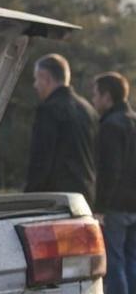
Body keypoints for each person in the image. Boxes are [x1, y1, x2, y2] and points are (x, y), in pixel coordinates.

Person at [92, 71, 136, 294]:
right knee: (133, 262)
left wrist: (100, 206)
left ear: (107, 97)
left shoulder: (111, 126)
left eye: (96, 94)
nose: (93, 100)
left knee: (116, 263)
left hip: (116, 206)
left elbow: (110, 171)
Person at [25, 53, 98, 204]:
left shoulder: (49, 110)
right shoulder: (88, 109)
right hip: (85, 196)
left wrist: (29, 197)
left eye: (36, 79)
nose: (35, 85)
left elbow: (41, 159)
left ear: (46, 78)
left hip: (56, 198)